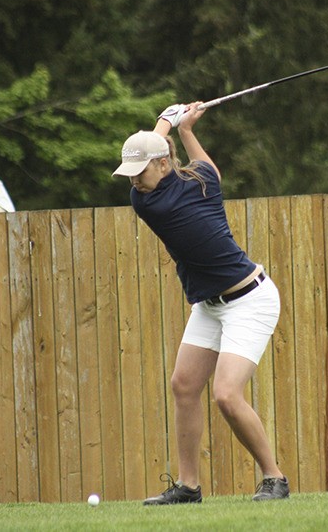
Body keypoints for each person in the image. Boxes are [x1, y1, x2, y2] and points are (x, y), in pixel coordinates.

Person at [113, 102, 289, 503]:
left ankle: (275, 478)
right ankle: (189, 487)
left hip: (251, 300)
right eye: (129, 175)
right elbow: (201, 163)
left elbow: (166, 145)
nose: (134, 183)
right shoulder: (192, 185)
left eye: (139, 173)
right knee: (184, 385)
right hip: (210, 305)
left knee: (226, 394)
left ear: (161, 165)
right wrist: (186, 128)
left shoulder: (165, 200)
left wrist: (170, 119)